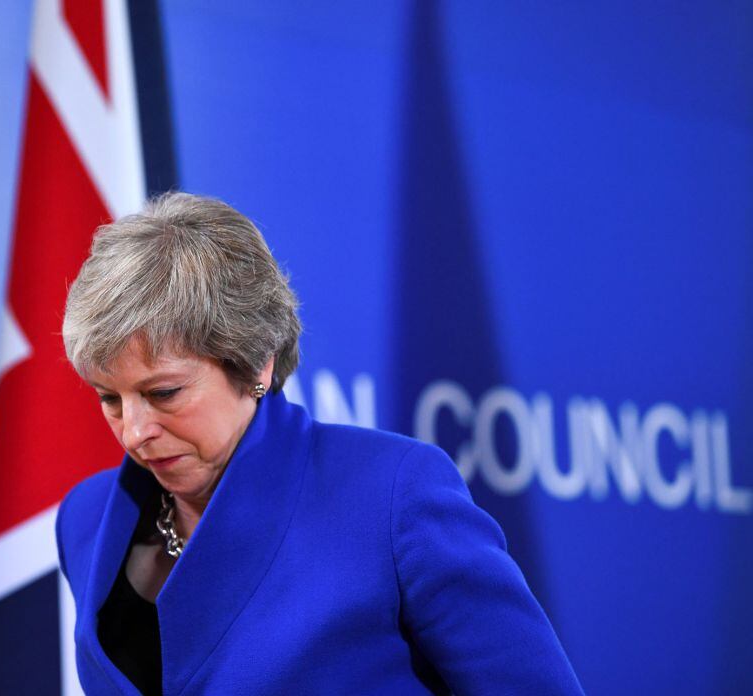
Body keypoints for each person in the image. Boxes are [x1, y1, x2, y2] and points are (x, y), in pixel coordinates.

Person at [55, 192, 582, 695]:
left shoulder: (391, 496)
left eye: (163, 392)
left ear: (256, 362)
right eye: (110, 399)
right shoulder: (87, 517)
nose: (134, 431)